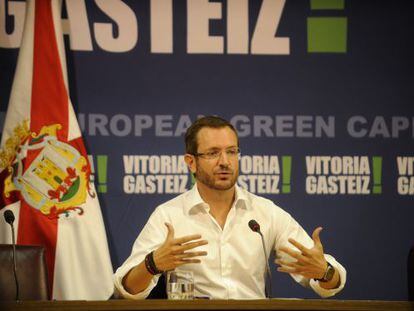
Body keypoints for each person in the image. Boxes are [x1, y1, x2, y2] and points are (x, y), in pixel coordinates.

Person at [114, 116, 346, 299]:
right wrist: (152, 264)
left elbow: (331, 281)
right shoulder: (169, 216)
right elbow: (127, 289)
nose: (225, 161)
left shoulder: (265, 213)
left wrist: (323, 271)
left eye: (232, 152)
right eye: (213, 153)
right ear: (191, 162)